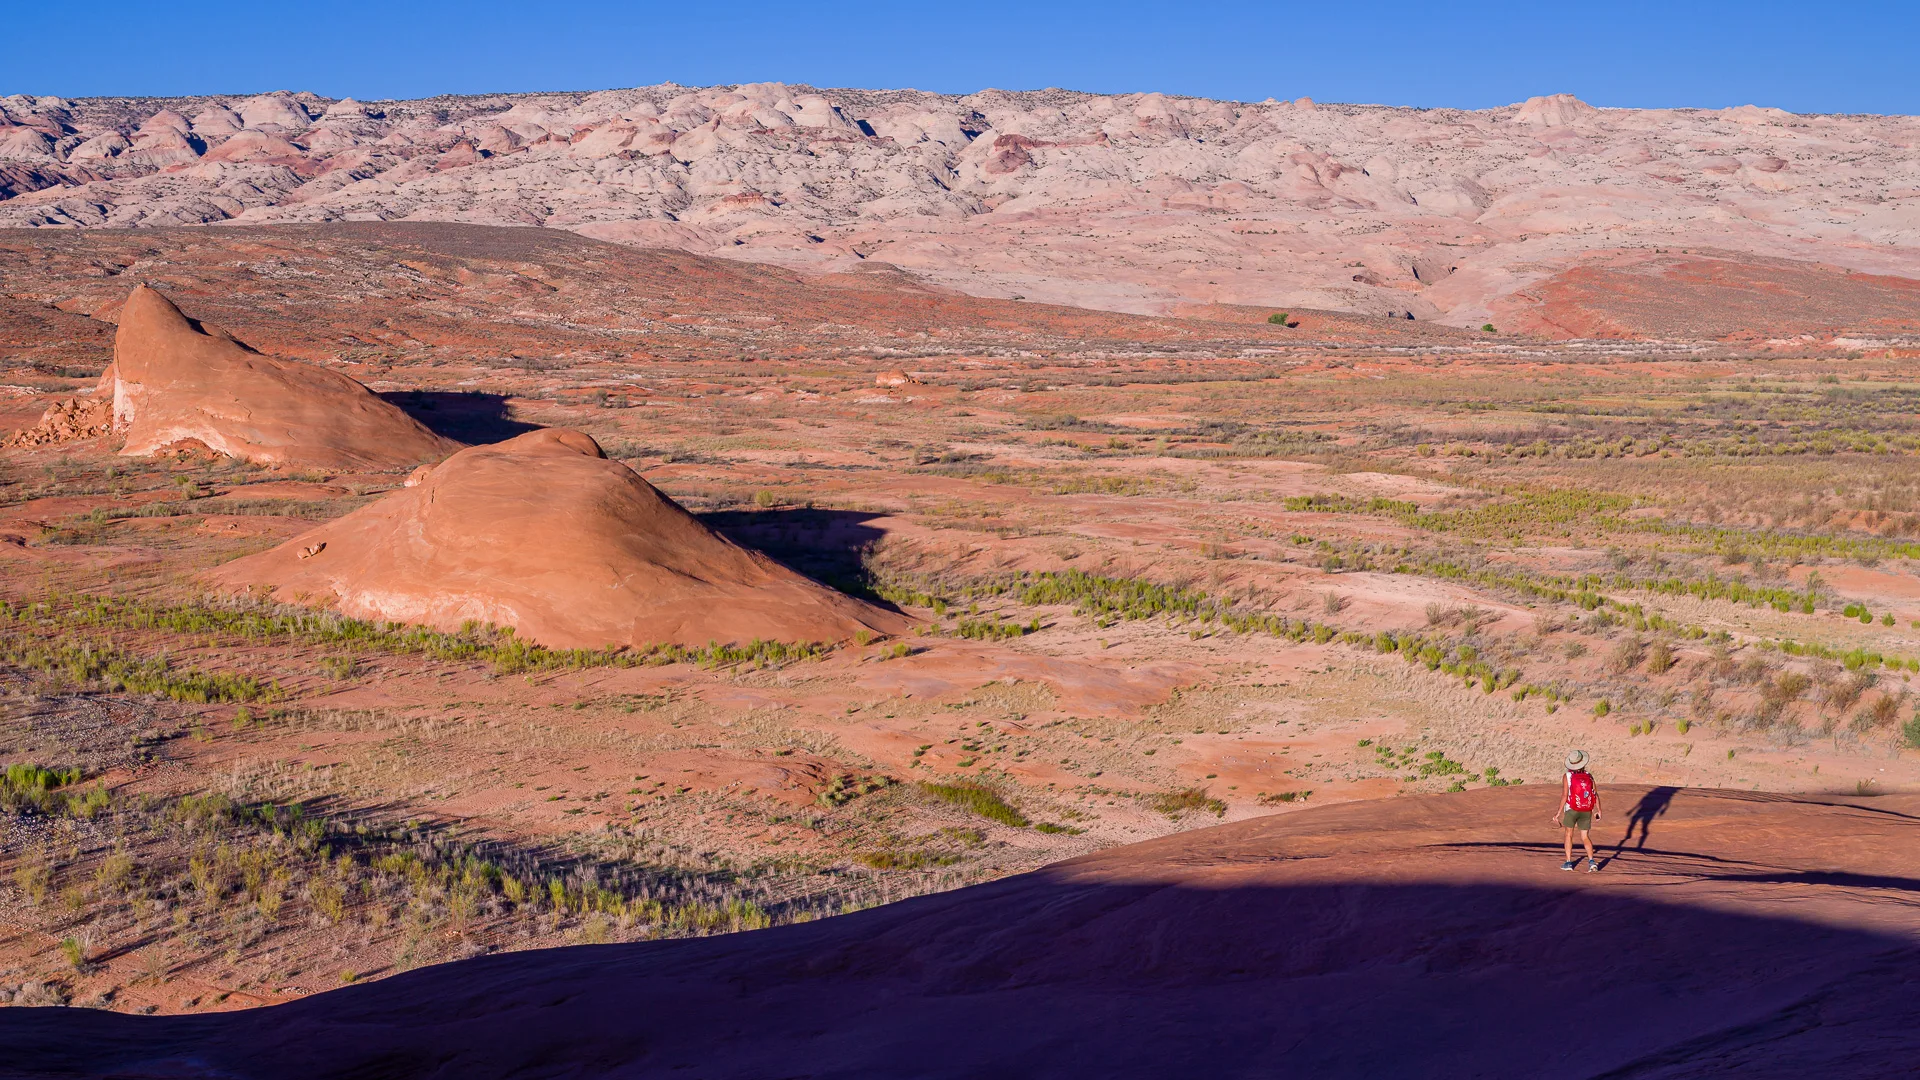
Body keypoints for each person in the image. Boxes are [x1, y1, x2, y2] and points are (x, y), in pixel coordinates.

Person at [1554, 750, 1601, 872]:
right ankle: (1591, 862)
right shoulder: (1589, 776)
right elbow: (1595, 794)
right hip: (1586, 810)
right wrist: (1599, 810)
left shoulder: (1567, 776)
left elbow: (1565, 795)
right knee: (1585, 836)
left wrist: (1558, 813)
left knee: (1569, 835)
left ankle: (1569, 863)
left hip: (1571, 809)